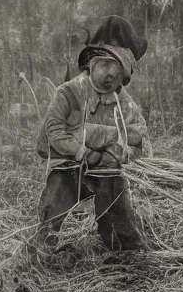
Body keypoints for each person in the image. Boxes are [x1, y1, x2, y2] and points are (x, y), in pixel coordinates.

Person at [35, 15, 149, 254]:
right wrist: (85, 151)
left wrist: (113, 149)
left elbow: (139, 139)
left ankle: (124, 252)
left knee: (115, 195)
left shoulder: (124, 103)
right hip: (69, 166)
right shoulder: (68, 93)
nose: (110, 74)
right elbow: (54, 132)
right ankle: (42, 245)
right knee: (56, 195)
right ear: (92, 64)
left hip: (106, 172)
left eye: (117, 69)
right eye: (105, 65)